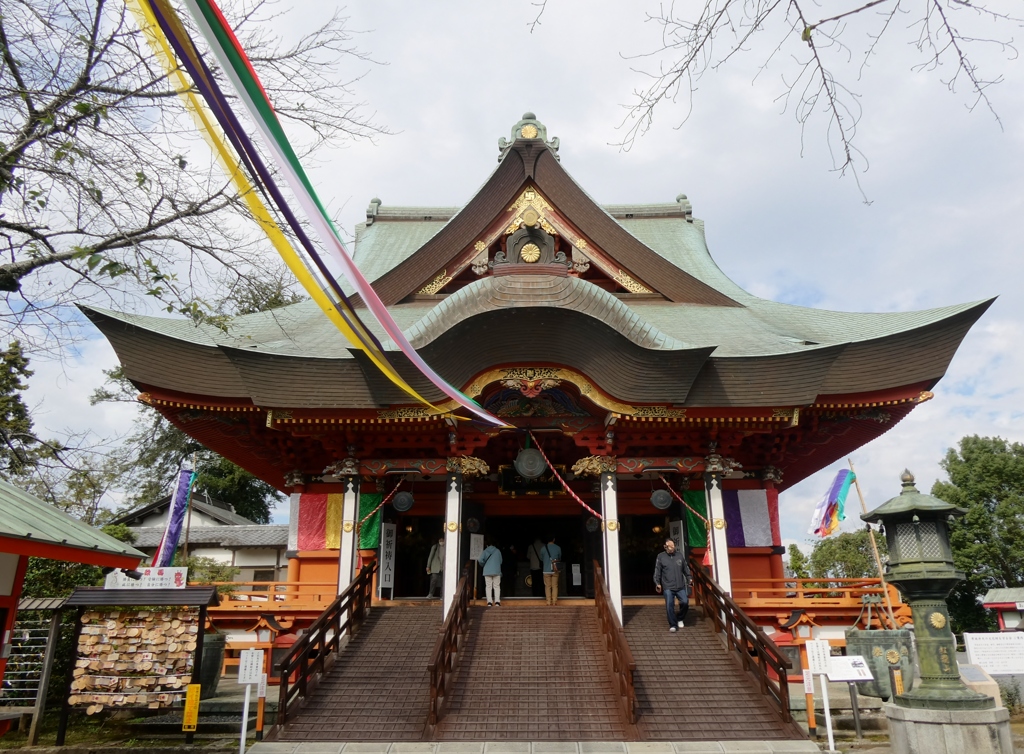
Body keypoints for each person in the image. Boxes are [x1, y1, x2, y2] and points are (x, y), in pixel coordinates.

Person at [654, 538, 690, 632]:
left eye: (673, 546)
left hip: (680, 585)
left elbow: (685, 569)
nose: (672, 548)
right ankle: (673, 625)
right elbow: (657, 571)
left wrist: (690, 579)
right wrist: (657, 583)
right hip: (668, 586)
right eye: (670, 546)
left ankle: (680, 618)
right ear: (665, 547)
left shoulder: (679, 555)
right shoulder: (661, 556)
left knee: (685, 602)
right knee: (669, 605)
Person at [478, 539, 503, 606]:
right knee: (496, 586)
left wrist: (483, 565)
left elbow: (480, 560)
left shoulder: (485, 551)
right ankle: (497, 602)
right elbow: (501, 561)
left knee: (488, 586)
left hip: (487, 571)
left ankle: (489, 602)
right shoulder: (498, 551)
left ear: (487, 544)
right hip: (496, 571)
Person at [541, 535, 562, 606]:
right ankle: (554, 601)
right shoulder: (558, 548)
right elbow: (560, 557)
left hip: (546, 569)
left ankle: (548, 602)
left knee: (547, 586)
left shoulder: (543, 549)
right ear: (554, 539)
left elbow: (541, 559)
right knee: (555, 585)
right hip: (555, 569)